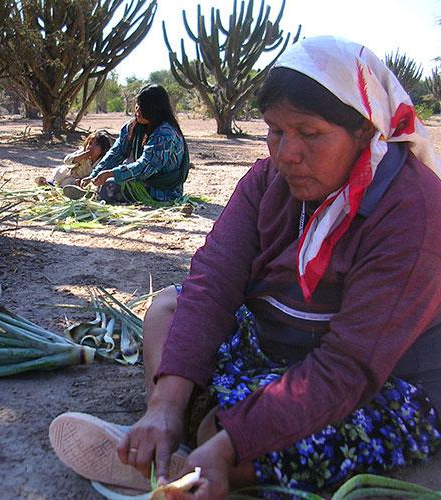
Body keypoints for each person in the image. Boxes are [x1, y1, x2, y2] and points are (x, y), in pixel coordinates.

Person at [50, 36, 441, 498]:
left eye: (309, 133)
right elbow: (212, 284)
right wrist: (164, 406)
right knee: (168, 311)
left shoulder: (412, 210)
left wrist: (234, 443)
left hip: (380, 379)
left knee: (262, 433)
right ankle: (182, 433)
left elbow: (349, 366)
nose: (287, 153)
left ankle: (207, 459)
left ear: (365, 131)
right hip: (275, 345)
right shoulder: (267, 181)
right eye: (276, 131)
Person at [81, 83, 190, 203]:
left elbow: (144, 167)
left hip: (164, 191)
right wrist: (95, 173)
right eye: (137, 105)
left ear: (153, 109)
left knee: (109, 188)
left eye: (142, 106)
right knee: (104, 186)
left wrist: (110, 174)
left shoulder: (166, 134)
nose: (137, 109)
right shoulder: (132, 127)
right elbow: (116, 153)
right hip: (141, 182)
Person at [34, 130, 112, 192]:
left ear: (103, 149)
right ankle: (48, 182)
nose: (91, 147)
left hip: (81, 180)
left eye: (97, 145)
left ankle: (56, 187)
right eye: (90, 143)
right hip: (70, 172)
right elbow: (67, 161)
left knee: (69, 185)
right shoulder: (82, 152)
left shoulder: (103, 161)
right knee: (60, 174)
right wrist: (79, 157)